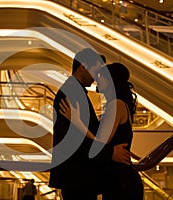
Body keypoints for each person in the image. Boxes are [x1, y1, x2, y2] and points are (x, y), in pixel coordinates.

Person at [49, 48, 131, 200]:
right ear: (84, 67)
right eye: (95, 71)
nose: (95, 78)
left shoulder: (74, 91)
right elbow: (75, 139)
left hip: (79, 176)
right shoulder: (72, 93)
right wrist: (110, 153)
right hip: (78, 175)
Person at [59, 62, 144, 199]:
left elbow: (98, 143)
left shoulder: (116, 105)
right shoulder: (119, 104)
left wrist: (76, 122)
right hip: (118, 178)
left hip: (120, 180)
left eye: (101, 76)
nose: (96, 79)